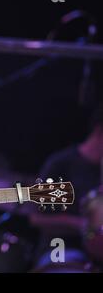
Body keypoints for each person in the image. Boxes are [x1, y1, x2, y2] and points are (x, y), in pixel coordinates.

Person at [28, 103, 103, 271]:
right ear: (99, 131)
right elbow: (37, 218)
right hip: (62, 251)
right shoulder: (63, 164)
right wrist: (81, 224)